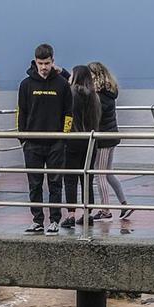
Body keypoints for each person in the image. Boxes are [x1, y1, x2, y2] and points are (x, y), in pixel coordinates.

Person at [16, 44, 73, 233]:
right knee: (35, 184)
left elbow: (68, 113)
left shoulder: (62, 84)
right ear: (35, 61)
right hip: (32, 143)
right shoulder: (26, 84)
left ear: (53, 61)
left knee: (55, 183)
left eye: (47, 63)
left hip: (56, 143)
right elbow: (21, 112)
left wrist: (64, 137)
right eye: (40, 63)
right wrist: (22, 137)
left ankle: (55, 220)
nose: (44, 67)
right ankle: (37, 220)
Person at [61, 65, 103, 228]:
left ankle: (71, 214)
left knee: (70, 179)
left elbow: (67, 116)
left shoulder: (71, 94)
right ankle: (88, 213)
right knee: (87, 178)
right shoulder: (95, 97)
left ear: (76, 76)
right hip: (91, 141)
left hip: (73, 139)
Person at [87, 60, 130, 218]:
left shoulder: (99, 96)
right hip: (112, 135)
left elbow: (95, 117)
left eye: (89, 76)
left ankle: (105, 210)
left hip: (103, 139)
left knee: (100, 174)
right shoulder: (109, 91)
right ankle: (124, 203)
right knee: (108, 173)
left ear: (95, 76)